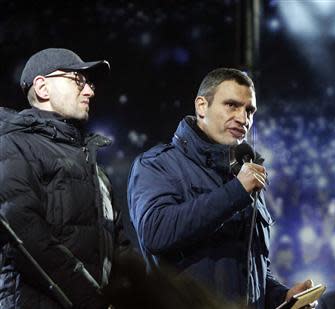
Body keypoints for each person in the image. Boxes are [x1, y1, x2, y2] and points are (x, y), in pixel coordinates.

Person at [127, 68, 313, 308]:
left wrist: (282, 296)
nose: (243, 119)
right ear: (202, 106)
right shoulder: (157, 165)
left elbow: (253, 268)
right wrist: (236, 192)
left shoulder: (245, 175)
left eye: (249, 110)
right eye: (232, 106)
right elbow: (156, 232)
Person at [0, 48, 133, 309]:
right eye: (78, 80)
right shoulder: (10, 147)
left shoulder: (93, 166)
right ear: (42, 87)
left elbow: (119, 248)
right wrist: (95, 302)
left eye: (90, 83)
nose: (89, 91)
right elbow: (28, 240)